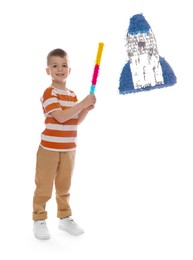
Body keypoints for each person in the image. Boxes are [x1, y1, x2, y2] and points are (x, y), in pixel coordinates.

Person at [32, 48, 96, 240]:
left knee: (64, 186)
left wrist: (86, 109)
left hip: (69, 149)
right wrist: (83, 103)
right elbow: (60, 117)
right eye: (55, 66)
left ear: (70, 70)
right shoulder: (49, 93)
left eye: (64, 65)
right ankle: (39, 219)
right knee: (44, 186)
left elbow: (74, 120)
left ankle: (64, 217)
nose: (60, 69)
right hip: (49, 149)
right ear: (48, 71)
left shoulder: (72, 94)